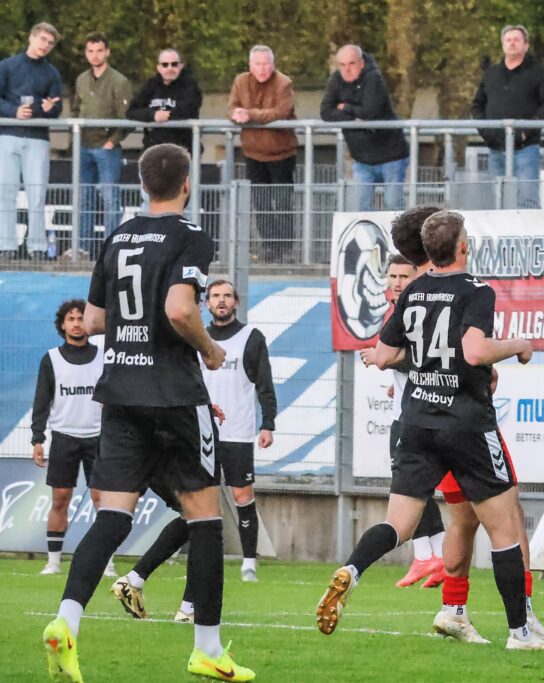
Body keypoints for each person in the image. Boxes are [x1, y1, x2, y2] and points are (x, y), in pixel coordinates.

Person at [42, 143, 254, 682]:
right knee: (204, 518)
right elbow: (180, 309)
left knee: (112, 517)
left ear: (141, 185)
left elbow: (93, 321)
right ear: (186, 184)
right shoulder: (190, 236)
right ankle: (207, 648)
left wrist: (133, 327)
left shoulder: (117, 237)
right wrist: (209, 348)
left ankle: (67, 621)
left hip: (119, 392)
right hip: (176, 394)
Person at [317, 210, 544, 650]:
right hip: (465, 425)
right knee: (505, 528)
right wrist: (519, 346)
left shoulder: (414, 291)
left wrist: (404, 358)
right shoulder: (476, 290)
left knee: (400, 524)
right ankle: (521, 631)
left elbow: (384, 354)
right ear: (463, 246)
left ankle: (352, 569)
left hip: (417, 422)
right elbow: (475, 351)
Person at [370, 254, 447, 588]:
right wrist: (397, 380)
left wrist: (382, 359)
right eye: (393, 276)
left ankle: (429, 555)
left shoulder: (419, 311)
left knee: (409, 488)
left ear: (417, 278)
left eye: (404, 276)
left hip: (415, 417)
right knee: (415, 488)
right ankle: (434, 556)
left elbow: (424, 357)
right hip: (408, 410)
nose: (398, 282)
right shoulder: (401, 310)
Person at [31, 300, 115, 579]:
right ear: (62, 324)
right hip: (64, 437)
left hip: (98, 437)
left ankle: (107, 562)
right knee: (60, 498)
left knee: (102, 500)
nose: (77, 323)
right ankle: (53, 562)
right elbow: (42, 401)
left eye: (81, 318)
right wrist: (37, 438)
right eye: (71, 319)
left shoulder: (103, 356)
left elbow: (115, 395)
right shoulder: (51, 359)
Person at [202, 279, 277, 582]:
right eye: (215, 296)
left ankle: (248, 563)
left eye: (227, 296)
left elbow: (264, 384)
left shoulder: (251, 338)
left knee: (242, 494)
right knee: (203, 499)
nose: (221, 301)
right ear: (206, 302)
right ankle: (207, 562)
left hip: (238, 431)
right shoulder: (197, 338)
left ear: (236, 302)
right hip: (203, 433)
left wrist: (267, 424)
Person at [470, 24, 544, 209]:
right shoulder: (491, 74)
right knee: (499, 202)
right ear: (503, 45)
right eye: (508, 40)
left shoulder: (538, 73)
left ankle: (529, 229)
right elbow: (477, 105)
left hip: (526, 149)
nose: (512, 43)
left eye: (517, 40)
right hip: (495, 149)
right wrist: (486, 131)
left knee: (527, 200)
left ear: (526, 45)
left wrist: (526, 131)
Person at [0, 22, 63, 261]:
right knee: (5, 192)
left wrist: (47, 109)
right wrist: (13, 111)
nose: (45, 45)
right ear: (31, 37)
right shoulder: (7, 66)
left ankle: (37, 247)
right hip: (8, 135)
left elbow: (56, 107)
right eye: (42, 39)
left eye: (50, 43)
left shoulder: (52, 73)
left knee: (37, 194)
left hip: (37, 138)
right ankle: (6, 245)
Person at [229, 45, 298, 264]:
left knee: (283, 202)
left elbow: (281, 112)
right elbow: (232, 108)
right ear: (250, 65)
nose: (262, 68)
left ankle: (286, 248)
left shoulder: (284, 83)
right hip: (253, 153)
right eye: (258, 64)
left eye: (266, 64)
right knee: (261, 203)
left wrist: (249, 114)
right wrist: (237, 114)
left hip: (281, 153)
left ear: (273, 64)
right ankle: (269, 246)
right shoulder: (240, 81)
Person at [320, 45, 409, 212]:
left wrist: (346, 107)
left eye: (351, 63)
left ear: (361, 63)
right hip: (361, 159)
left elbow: (370, 112)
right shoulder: (336, 79)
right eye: (342, 65)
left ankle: (400, 231)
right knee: (363, 208)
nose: (347, 69)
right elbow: (326, 112)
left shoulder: (373, 78)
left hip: (391, 155)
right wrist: (354, 118)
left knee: (393, 205)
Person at [71, 31, 132, 258]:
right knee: (83, 198)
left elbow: (127, 118)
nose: (95, 55)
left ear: (107, 52)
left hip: (107, 148)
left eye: (99, 50)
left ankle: (111, 250)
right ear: (86, 53)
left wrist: (112, 141)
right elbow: (75, 109)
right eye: (90, 51)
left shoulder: (119, 81)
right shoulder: (81, 79)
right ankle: (83, 249)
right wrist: (75, 139)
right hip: (84, 146)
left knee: (110, 199)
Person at [126, 48, 204, 152]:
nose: (170, 68)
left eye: (174, 64)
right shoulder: (151, 85)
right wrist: (153, 115)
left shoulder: (190, 85)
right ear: (158, 67)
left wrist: (167, 115)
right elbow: (131, 112)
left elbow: (189, 110)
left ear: (181, 66)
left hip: (183, 148)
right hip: (153, 148)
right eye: (165, 65)